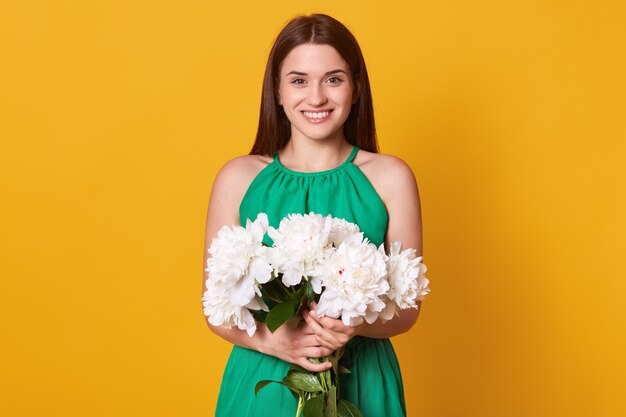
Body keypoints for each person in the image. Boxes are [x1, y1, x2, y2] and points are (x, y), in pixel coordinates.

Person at [202, 13, 423, 417]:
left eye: (334, 79)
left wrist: (355, 325)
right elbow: (215, 308)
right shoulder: (238, 178)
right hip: (265, 385)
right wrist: (278, 342)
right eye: (299, 80)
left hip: (363, 381)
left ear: (356, 88)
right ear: (278, 91)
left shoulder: (391, 177)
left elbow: (407, 309)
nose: (317, 97)